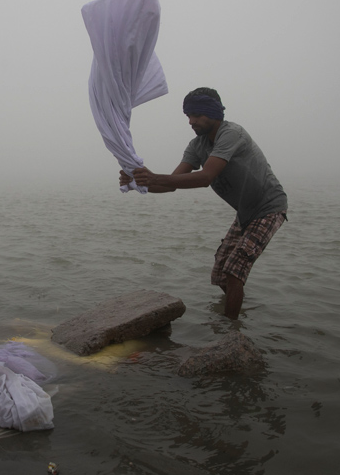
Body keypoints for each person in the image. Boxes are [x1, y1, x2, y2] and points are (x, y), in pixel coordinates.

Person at [120, 87, 287, 320]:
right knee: (221, 272)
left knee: (234, 269)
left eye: (197, 115)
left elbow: (205, 178)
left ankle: (231, 333)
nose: (191, 121)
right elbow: (171, 184)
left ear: (214, 113)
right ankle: (238, 313)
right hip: (245, 213)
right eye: (188, 115)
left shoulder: (231, 134)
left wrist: (154, 177)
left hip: (269, 207)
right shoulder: (197, 146)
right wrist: (135, 183)